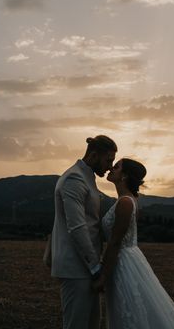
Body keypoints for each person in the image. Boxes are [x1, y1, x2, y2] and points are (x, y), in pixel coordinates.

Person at [96, 158, 174, 329]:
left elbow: (115, 242)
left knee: (129, 309)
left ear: (124, 176)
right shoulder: (129, 199)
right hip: (129, 258)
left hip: (123, 262)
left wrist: (103, 275)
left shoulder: (125, 202)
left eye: (116, 167)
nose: (111, 168)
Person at [50, 135, 117, 329]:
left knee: (92, 324)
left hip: (85, 268)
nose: (110, 166)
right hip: (76, 268)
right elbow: (77, 228)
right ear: (94, 155)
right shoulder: (74, 178)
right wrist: (96, 269)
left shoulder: (86, 177)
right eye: (108, 160)